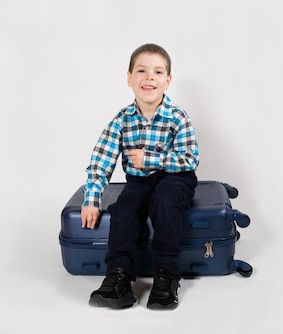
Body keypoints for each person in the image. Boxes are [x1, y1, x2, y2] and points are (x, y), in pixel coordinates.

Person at [81, 43, 200, 310]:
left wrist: (152, 159)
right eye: (141, 71)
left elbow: (190, 158)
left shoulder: (177, 117)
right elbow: (101, 161)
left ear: (167, 81)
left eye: (158, 72)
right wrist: (91, 198)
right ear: (129, 78)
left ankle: (166, 275)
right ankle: (119, 276)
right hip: (139, 181)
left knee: (165, 201)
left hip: (176, 178)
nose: (149, 77)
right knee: (125, 208)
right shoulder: (121, 120)